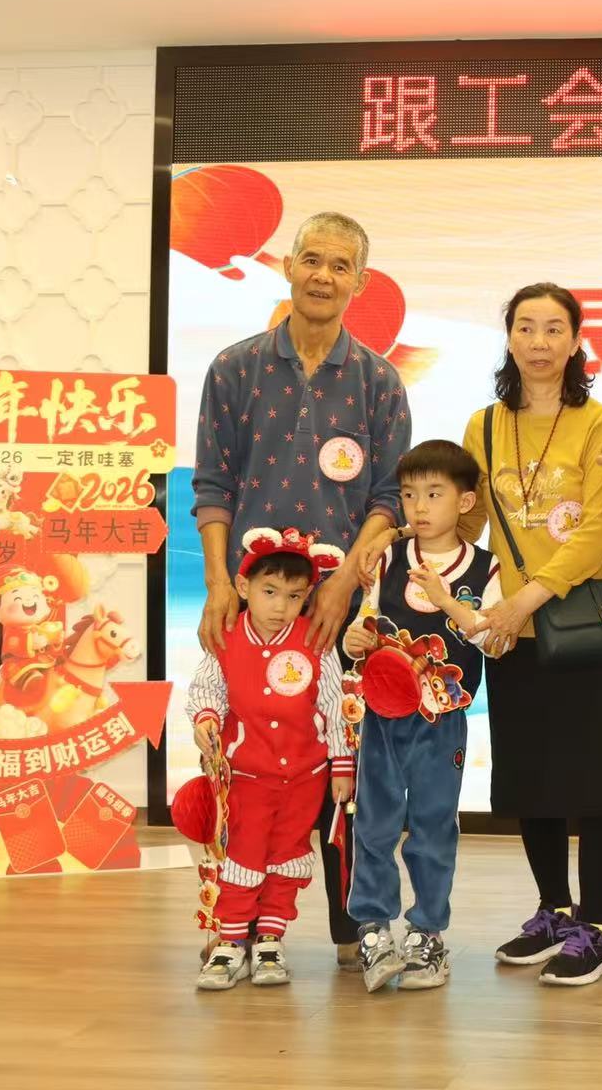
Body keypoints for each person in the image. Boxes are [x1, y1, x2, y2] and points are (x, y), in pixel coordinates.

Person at [192, 210, 409, 971]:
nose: (323, 275)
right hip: (251, 608)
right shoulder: (235, 367)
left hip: (338, 612)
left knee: (341, 763)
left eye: (340, 265)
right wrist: (218, 584)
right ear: (287, 265)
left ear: (361, 281)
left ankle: (352, 930)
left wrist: (344, 582)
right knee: (247, 763)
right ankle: (235, 928)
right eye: (312, 259)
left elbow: (389, 498)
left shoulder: (379, 380)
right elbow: (213, 485)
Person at [453, 284, 602, 986]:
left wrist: (524, 599)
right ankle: (553, 910)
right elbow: (471, 519)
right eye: (525, 327)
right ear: (509, 338)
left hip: (582, 624)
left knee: (595, 782)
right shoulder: (483, 425)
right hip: (510, 634)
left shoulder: (600, 423)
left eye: (554, 328)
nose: (538, 341)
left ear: (576, 340)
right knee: (530, 778)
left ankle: (597, 924)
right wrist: (423, 539)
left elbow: (596, 532)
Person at [343, 439, 508, 993]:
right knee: (374, 822)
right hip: (381, 716)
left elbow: (492, 641)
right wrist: (356, 637)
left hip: (443, 723)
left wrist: (447, 599)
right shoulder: (386, 558)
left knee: (434, 825)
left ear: (465, 502)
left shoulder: (485, 567)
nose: (419, 506)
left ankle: (427, 934)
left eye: (434, 494)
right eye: (410, 494)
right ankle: (372, 929)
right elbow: (363, 626)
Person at [187, 528, 353, 990]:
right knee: (241, 854)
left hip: (305, 777)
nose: (281, 605)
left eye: (295, 596)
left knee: (287, 856)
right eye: (270, 591)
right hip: (246, 776)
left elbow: (335, 706)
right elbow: (206, 690)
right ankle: (231, 941)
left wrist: (341, 766)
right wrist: (205, 721)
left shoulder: (315, 640)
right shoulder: (224, 637)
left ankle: (270, 940)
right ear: (244, 588)